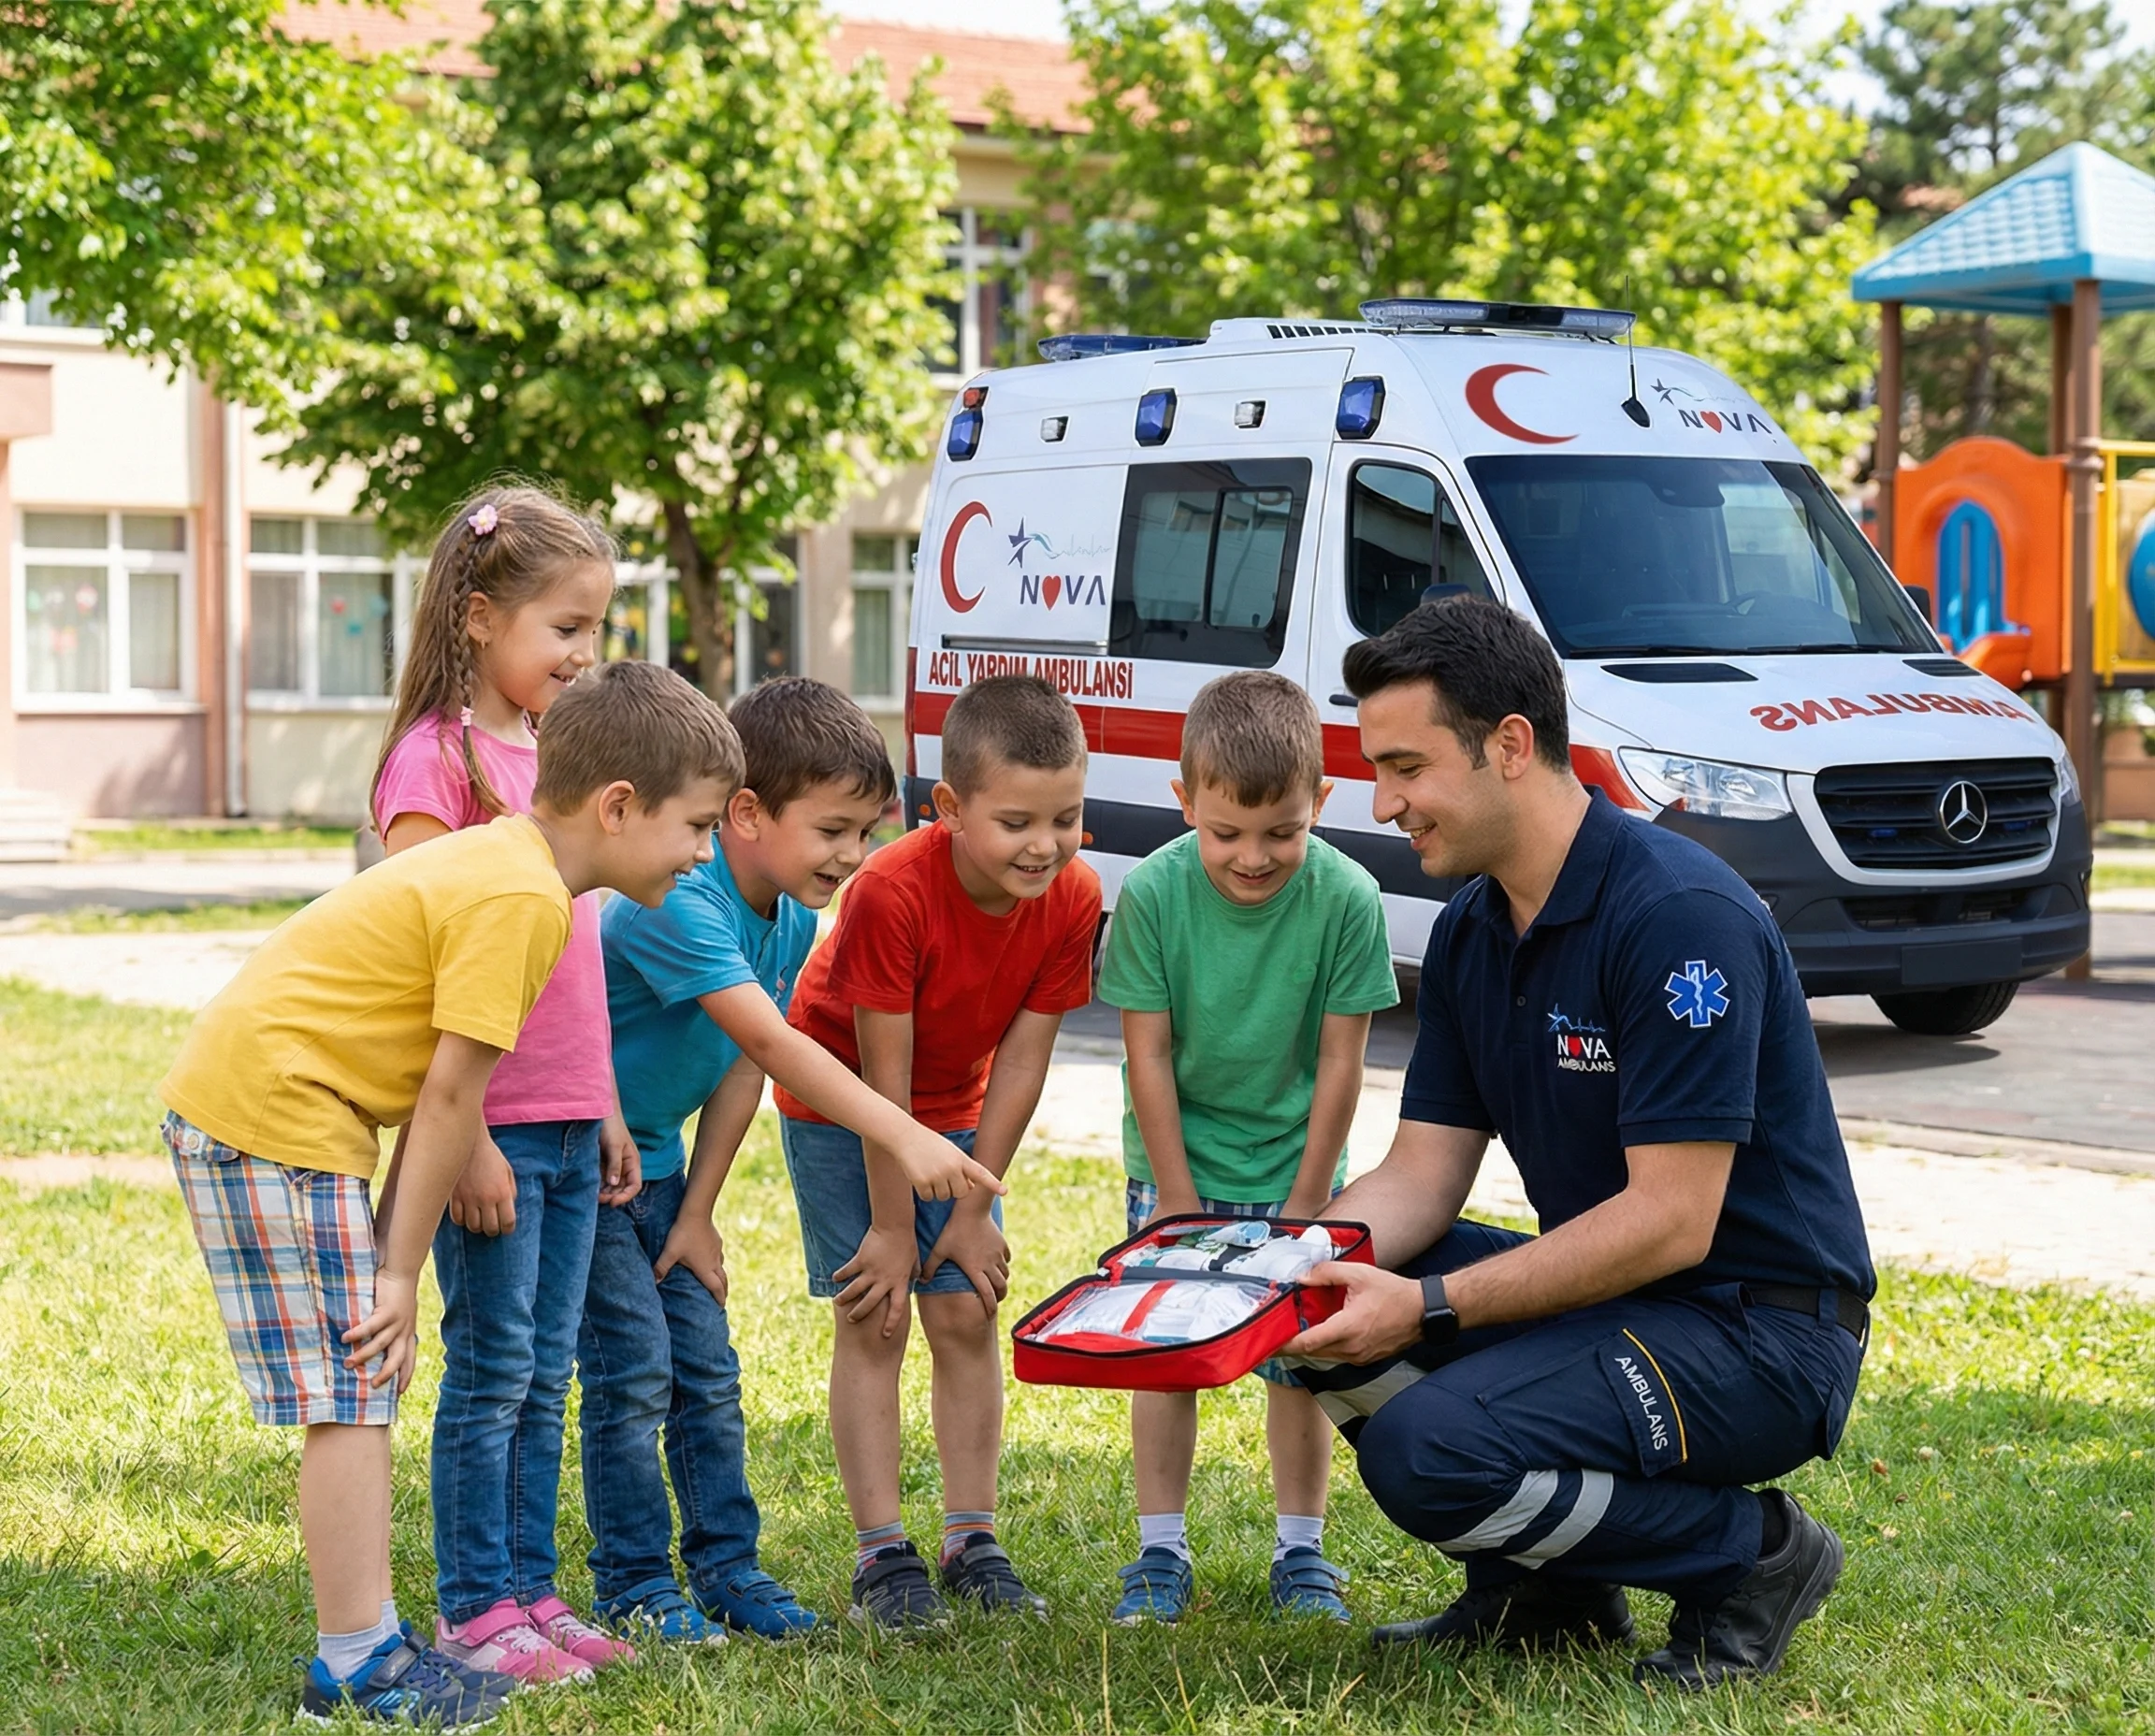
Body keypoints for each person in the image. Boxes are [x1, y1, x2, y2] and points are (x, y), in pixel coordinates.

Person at [1282, 598, 1873, 1692]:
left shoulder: (1679, 914)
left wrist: (1426, 1306)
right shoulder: (1472, 927)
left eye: (1406, 764)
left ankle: (1755, 1559)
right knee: (1306, 1319)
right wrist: (1284, 1262)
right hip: (1630, 1304)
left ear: (1510, 744)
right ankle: (1549, 1589)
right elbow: (1421, 1171)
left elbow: (1672, 1218)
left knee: (1431, 1451)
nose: (1384, 799)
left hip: (1760, 1331)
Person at [158, 659, 741, 1728]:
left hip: (287, 1106)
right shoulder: (520, 896)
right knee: (354, 1386)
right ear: (618, 806)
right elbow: (446, 1102)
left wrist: (388, 1262)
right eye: (695, 825)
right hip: (272, 1110)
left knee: (360, 1384)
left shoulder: (520, 870)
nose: (705, 853)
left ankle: (370, 1644)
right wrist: (393, 1272)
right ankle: (358, 1663)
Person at [370, 485, 640, 1687]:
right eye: (565, 628)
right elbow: (425, 961)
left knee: (548, 1368)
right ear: (480, 616)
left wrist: (611, 1104)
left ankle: (530, 1588)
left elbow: (577, 962)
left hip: (576, 1113)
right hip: (490, 1122)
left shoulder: (561, 757)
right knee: (492, 1371)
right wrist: (467, 1131)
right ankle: (473, 1606)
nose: (586, 654)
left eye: (596, 629)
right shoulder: (434, 762)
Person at [579, 676, 903, 1644]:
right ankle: (635, 1578)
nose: (853, 855)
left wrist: (700, 1209)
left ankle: (726, 1566)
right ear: (748, 813)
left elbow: (733, 1072)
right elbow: (770, 1046)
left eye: (866, 832)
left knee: (708, 1370)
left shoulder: (792, 917)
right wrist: (901, 1130)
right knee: (634, 1370)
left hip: (662, 1169)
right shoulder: (677, 897)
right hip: (580, 1162)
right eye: (834, 830)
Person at [776, 674, 1102, 1628]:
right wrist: (891, 1225)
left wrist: (967, 1210)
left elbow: (1024, 1060)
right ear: (948, 808)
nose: (1044, 844)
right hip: (843, 1107)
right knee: (876, 1317)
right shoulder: (890, 890)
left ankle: (972, 1537)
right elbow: (882, 1079)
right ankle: (883, 1554)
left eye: (1066, 816)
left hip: (957, 1110)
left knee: (964, 1315)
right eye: (1016, 821)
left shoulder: (1072, 896)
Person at [1096, 672, 1396, 1627]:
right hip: (1175, 1161)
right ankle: (1158, 1549)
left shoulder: (1349, 897)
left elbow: (1342, 1064)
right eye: (1225, 833)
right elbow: (1147, 1052)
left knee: (1302, 1366)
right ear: (1184, 801)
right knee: (1165, 1355)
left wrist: (1309, 1206)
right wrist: (1176, 1196)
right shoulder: (1151, 893)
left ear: (1322, 803)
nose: (1253, 857)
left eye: (1282, 832)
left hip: (1296, 1164)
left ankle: (1302, 1553)